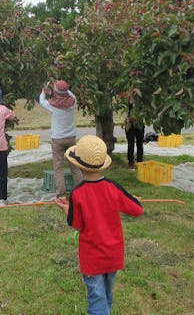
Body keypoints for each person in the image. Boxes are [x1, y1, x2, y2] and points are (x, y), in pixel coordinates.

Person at [55, 135, 144, 315]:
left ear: (78, 166)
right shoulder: (113, 187)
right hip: (112, 255)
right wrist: (134, 200)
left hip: (92, 259)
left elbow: (76, 224)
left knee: (97, 297)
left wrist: (67, 210)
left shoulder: (77, 194)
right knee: (106, 295)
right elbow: (137, 210)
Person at [39, 80, 83, 200]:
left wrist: (44, 90)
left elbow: (41, 101)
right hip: (71, 138)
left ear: (56, 92)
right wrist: (63, 88)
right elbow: (71, 94)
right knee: (75, 166)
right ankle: (81, 190)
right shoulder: (72, 103)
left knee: (58, 168)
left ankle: (61, 194)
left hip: (57, 139)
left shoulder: (52, 105)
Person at [124, 100, 145, 170]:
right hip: (130, 125)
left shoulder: (142, 99)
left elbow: (144, 111)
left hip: (139, 124)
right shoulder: (128, 98)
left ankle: (140, 162)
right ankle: (131, 163)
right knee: (131, 144)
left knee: (140, 144)